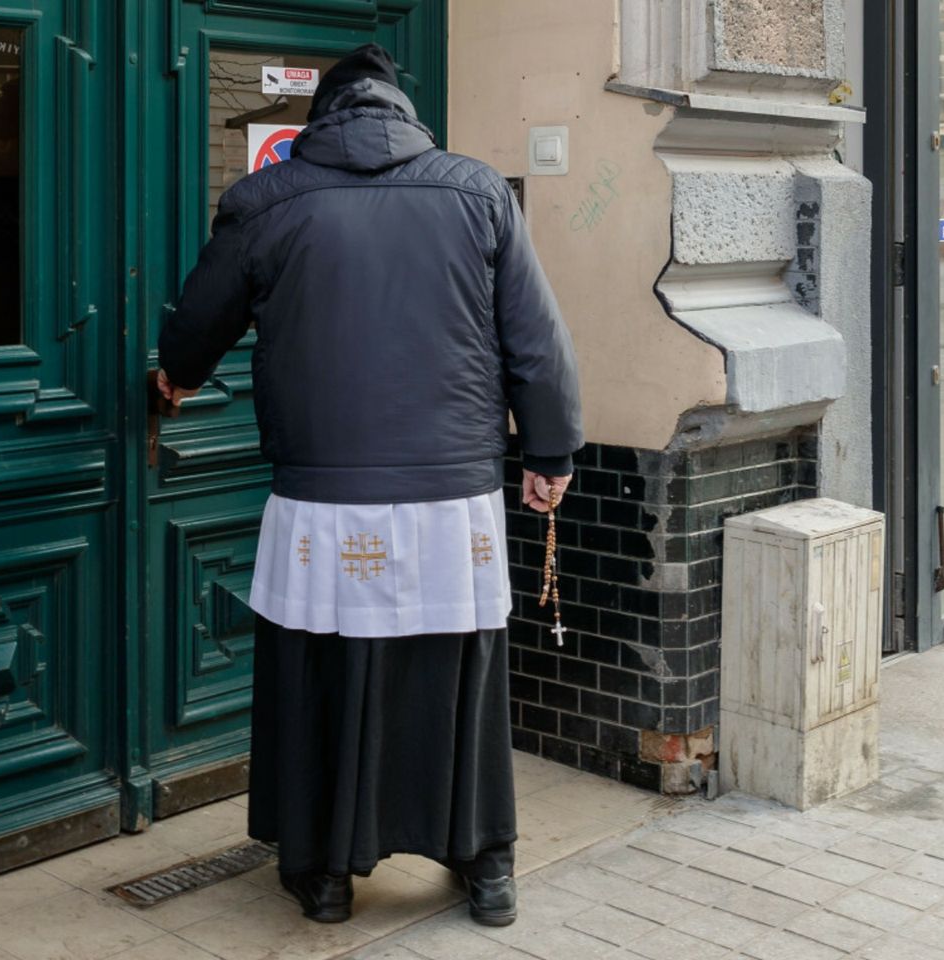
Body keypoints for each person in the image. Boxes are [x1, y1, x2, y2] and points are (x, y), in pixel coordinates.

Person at [156, 43, 583, 927]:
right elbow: (537, 341)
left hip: (324, 486)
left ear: (323, 118)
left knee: (324, 668)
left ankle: (322, 873)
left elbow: (199, 321)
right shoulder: (478, 194)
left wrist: (177, 375)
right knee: (460, 674)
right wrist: (549, 455)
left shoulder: (267, 199)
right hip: (451, 484)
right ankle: (486, 862)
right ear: (403, 112)